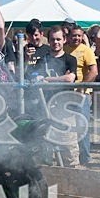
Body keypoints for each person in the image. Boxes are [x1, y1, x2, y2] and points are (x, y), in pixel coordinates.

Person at [29, 28, 78, 166]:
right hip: (46, 108)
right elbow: (35, 79)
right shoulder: (42, 61)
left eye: (58, 39)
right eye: (53, 39)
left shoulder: (70, 59)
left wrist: (47, 79)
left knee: (68, 144)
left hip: (66, 109)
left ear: (64, 40)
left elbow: (70, 79)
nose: (55, 42)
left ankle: (72, 173)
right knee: (45, 144)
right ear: (48, 41)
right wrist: (58, 79)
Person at [65, 25, 98, 166]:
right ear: (69, 36)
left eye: (79, 35)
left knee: (82, 126)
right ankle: (70, 157)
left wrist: (82, 86)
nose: (76, 38)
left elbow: (94, 71)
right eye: (74, 35)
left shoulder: (86, 50)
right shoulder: (64, 49)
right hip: (66, 95)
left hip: (81, 95)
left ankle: (85, 158)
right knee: (67, 127)